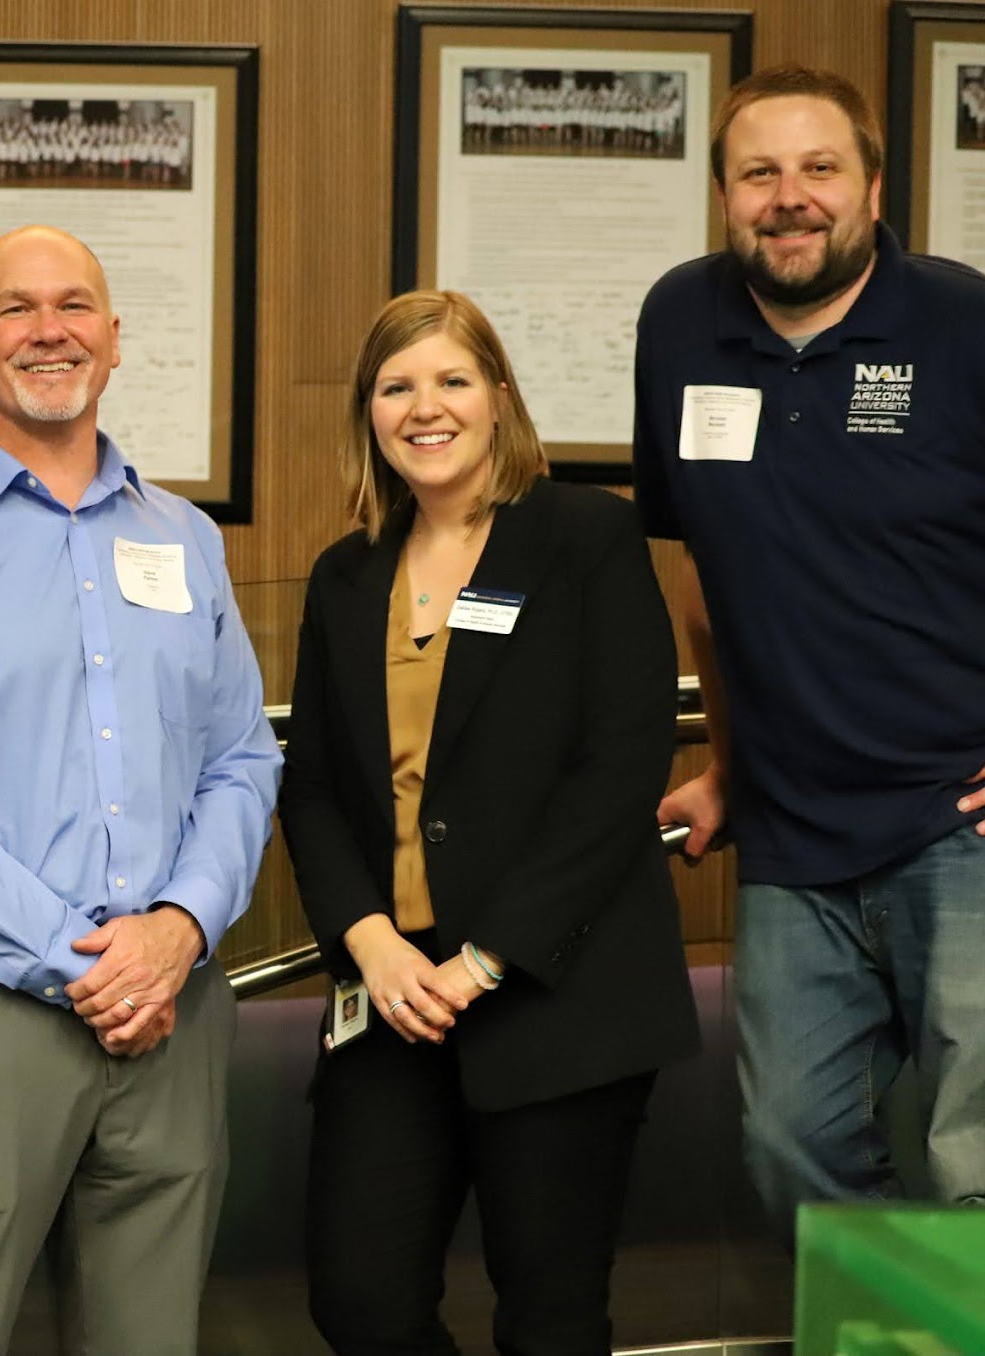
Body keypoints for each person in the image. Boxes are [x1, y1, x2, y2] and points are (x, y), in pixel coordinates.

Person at [634, 66, 985, 1242]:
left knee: (984, 1165)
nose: (789, 198)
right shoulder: (682, 322)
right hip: (796, 836)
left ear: (872, 186)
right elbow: (705, 569)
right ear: (723, 193)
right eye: (759, 173)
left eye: (819, 169)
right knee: (791, 1148)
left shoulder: (977, 330)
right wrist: (734, 765)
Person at [0, 224, 282, 1355]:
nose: (48, 330)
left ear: (114, 339)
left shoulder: (185, 539)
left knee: (152, 1338)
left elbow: (241, 760)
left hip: (172, 1009)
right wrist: (86, 961)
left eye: (74, 305)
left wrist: (175, 932)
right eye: (16, 310)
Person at [281, 290, 699, 1356]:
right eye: (396, 386)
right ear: (369, 414)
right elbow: (317, 784)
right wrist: (368, 940)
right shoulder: (346, 575)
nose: (426, 407)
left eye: (452, 380)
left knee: (551, 1321)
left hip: (557, 994)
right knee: (360, 1302)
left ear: (499, 398)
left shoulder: (584, 537)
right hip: (393, 998)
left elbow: (620, 771)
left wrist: (487, 960)